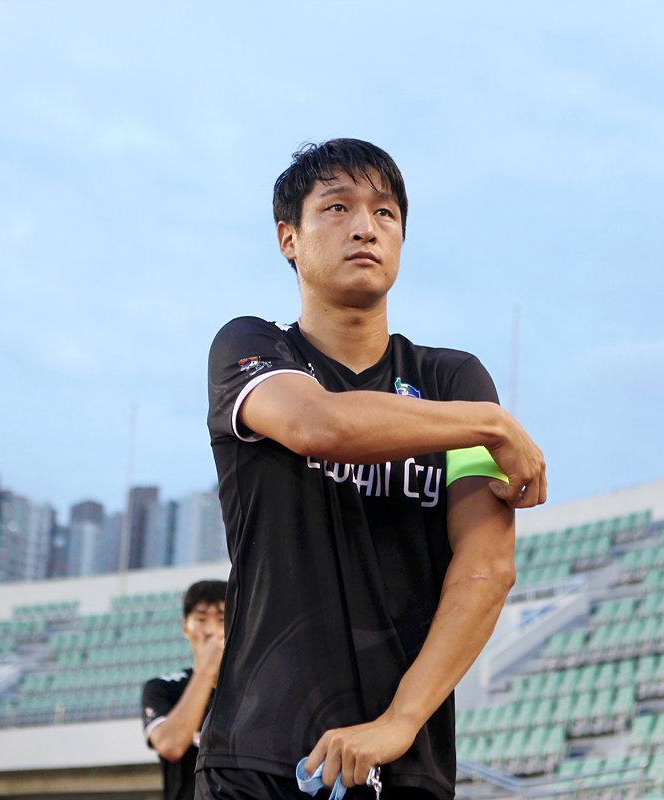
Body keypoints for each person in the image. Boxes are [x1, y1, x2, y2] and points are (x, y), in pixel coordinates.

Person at [197, 138, 547, 800]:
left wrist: (399, 722)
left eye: (386, 212)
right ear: (288, 238)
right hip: (256, 756)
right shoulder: (250, 346)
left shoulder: (452, 380)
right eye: (337, 207)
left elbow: (487, 567)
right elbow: (320, 427)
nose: (366, 227)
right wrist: (493, 424)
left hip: (406, 763)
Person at [143, 579, 228, 800]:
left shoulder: (255, 690)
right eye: (201, 619)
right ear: (185, 628)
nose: (210, 631)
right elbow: (170, 745)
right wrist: (207, 669)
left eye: (222, 620)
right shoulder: (163, 687)